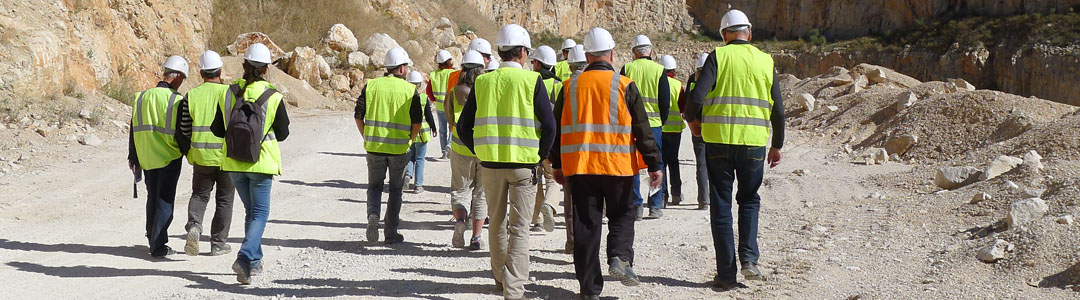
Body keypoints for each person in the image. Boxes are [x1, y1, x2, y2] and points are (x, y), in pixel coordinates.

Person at [550, 27, 663, 300]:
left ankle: (589, 289)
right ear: (612, 54)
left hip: (580, 166)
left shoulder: (569, 86)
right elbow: (642, 129)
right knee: (622, 215)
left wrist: (556, 163)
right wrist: (654, 163)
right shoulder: (625, 85)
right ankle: (620, 258)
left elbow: (557, 128)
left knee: (586, 225)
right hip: (618, 166)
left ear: (586, 55)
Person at [683, 9, 785, 290]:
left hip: (718, 143)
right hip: (753, 143)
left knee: (722, 205)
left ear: (724, 35)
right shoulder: (766, 61)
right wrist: (777, 145)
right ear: (749, 33)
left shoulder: (719, 56)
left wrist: (692, 121)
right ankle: (750, 260)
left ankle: (726, 275)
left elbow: (696, 96)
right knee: (750, 199)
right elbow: (778, 110)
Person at [458, 24, 556, 300]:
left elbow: (463, 127)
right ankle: (514, 290)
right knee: (520, 228)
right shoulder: (532, 81)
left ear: (500, 52)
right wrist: (540, 156)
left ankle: (500, 279)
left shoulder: (483, 81)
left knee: (497, 224)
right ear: (523, 52)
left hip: (490, 166)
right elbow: (549, 126)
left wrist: (479, 151)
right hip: (523, 166)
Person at [209, 43, 291, 284]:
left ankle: (254, 263)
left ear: (244, 65)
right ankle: (245, 257)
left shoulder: (230, 92)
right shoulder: (273, 96)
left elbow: (217, 129)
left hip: (233, 163)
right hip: (261, 163)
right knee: (260, 213)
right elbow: (284, 133)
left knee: (251, 212)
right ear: (266, 68)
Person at [354, 47, 423, 245]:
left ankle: (373, 214)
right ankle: (391, 232)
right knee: (395, 190)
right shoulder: (410, 90)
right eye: (406, 67)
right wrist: (410, 139)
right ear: (401, 69)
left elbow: (358, 115)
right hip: (399, 150)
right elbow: (417, 122)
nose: (408, 70)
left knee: (374, 186)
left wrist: (366, 135)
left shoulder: (372, 86)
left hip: (374, 146)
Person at [129, 55, 191, 259]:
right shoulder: (176, 100)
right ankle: (159, 246)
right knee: (164, 200)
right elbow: (182, 132)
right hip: (168, 156)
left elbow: (133, 128)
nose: (181, 83)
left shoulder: (142, 97)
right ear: (177, 77)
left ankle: (152, 237)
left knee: (152, 197)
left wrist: (133, 156)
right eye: (182, 79)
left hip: (147, 156)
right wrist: (186, 151)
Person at [183, 50, 235, 257]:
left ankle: (194, 226)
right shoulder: (229, 93)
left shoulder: (192, 95)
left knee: (199, 195)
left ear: (201, 72)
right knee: (224, 200)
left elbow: (185, 128)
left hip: (201, 156)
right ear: (220, 71)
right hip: (226, 157)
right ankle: (218, 244)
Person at [620, 34, 670, 220]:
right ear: (651, 51)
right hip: (654, 125)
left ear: (634, 52)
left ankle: (636, 205)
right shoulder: (659, 70)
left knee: (632, 164)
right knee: (656, 164)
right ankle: (655, 206)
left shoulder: (627, 68)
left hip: (631, 125)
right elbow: (665, 101)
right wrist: (661, 121)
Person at [445, 50, 489, 251]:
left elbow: (450, 119)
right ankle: (477, 236)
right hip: (482, 147)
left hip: (460, 147)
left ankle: (460, 221)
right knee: (480, 193)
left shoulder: (454, 91)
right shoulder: (486, 90)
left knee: (460, 190)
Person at [528, 45, 561, 233]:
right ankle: (549, 204)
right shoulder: (558, 85)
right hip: (553, 140)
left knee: (536, 180)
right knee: (552, 179)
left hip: (532, 139)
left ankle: (537, 220)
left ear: (538, 63)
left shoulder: (531, 82)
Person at [658, 55, 686, 207]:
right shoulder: (678, 85)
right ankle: (676, 194)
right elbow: (683, 108)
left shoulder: (657, 82)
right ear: (674, 70)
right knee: (674, 162)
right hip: (675, 130)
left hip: (660, 128)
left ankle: (662, 197)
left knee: (661, 162)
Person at [405, 71, 439, 193]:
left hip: (409, 132)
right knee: (420, 159)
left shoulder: (405, 97)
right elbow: (429, 116)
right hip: (422, 133)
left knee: (410, 157)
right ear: (419, 85)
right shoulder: (424, 98)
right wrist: (434, 128)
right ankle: (418, 185)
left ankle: (407, 175)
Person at [688, 52, 711, 211]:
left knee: (701, 164)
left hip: (698, 126)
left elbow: (690, 102)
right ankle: (715, 199)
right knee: (718, 165)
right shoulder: (717, 78)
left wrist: (692, 121)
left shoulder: (692, 80)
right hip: (716, 126)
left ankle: (703, 200)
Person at [427, 50, 455, 160]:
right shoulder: (453, 73)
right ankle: (450, 144)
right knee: (453, 127)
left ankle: (444, 152)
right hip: (451, 105)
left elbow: (428, 91)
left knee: (442, 130)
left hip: (439, 106)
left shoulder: (433, 75)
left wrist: (434, 100)